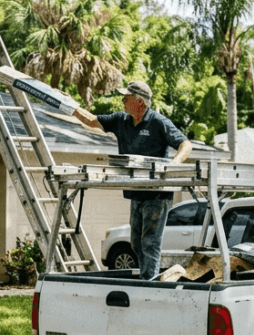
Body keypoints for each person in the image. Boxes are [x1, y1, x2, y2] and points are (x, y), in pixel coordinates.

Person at [74, 80, 193, 280]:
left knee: (149, 242)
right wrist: (70, 106)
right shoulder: (121, 120)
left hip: (157, 194)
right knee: (136, 243)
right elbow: (92, 120)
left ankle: (149, 284)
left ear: (139, 102)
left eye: (126, 97)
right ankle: (150, 276)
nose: (122, 100)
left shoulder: (158, 122)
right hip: (136, 192)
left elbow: (186, 144)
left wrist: (173, 164)